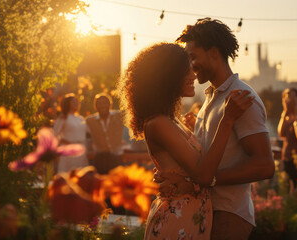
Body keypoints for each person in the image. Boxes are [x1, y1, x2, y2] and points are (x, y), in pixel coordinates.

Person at [118, 42, 254, 240]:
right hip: (177, 222)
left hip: (188, 219)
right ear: (167, 77)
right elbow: (203, 175)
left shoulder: (171, 121)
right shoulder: (159, 123)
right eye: (185, 70)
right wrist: (227, 119)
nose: (193, 74)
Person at [174, 18, 275, 239]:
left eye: (193, 56)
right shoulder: (212, 98)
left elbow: (265, 165)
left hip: (229, 215)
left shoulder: (241, 98)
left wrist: (209, 179)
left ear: (214, 53)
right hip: (208, 212)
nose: (190, 66)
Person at [86, 93, 125, 174]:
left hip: (117, 157)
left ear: (109, 104)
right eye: (99, 103)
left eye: (105, 103)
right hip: (100, 158)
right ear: (95, 106)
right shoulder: (90, 120)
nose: (102, 105)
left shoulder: (119, 116)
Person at [53, 93, 88, 173]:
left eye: (77, 101)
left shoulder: (81, 119)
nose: (76, 103)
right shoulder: (63, 117)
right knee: (67, 175)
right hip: (68, 151)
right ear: (67, 104)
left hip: (81, 152)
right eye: (73, 101)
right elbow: (55, 135)